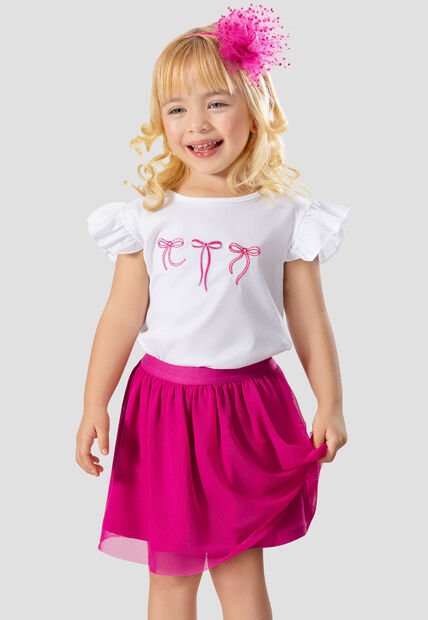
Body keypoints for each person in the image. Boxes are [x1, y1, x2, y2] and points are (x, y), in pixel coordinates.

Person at [76, 4, 351, 619]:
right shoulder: (149, 214)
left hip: (248, 410)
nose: (197, 124)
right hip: (163, 410)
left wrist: (329, 402)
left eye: (217, 103)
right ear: (161, 121)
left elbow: (309, 320)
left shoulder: (286, 215)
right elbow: (120, 316)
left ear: (255, 108)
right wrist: (95, 402)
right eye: (177, 109)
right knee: (171, 576)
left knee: (239, 570)